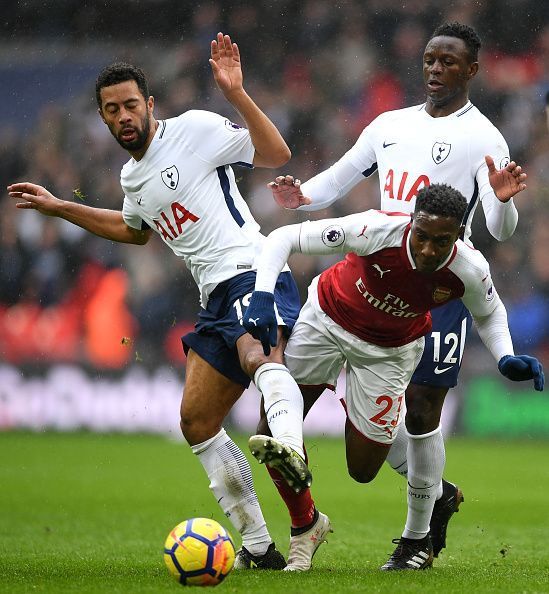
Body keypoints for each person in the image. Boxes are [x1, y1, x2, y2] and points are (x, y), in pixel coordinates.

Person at [7, 33, 312, 570]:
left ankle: (289, 443)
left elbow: (275, 154)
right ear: (102, 119)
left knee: (255, 356)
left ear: (149, 105)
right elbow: (134, 229)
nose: (123, 116)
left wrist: (237, 94)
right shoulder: (133, 176)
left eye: (130, 105)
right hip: (213, 297)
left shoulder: (194, 130)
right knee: (195, 422)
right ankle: (260, 547)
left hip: (251, 270)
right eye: (111, 110)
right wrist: (59, 208)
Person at [261, 22, 530, 570]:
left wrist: (501, 201)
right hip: (380, 268)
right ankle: (436, 492)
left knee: (425, 408)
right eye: (430, 59)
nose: (435, 69)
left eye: (449, 62)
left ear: (471, 70)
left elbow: (500, 227)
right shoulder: (389, 125)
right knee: (362, 440)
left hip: (439, 289)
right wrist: (302, 195)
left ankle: (416, 539)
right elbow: (340, 176)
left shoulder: (485, 137)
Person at [243, 183, 544, 572]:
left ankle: (430, 483)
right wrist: (262, 294)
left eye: (442, 241)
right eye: (422, 236)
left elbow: (488, 312)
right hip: (326, 320)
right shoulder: (376, 229)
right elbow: (285, 237)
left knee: (363, 470)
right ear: (411, 223)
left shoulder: (468, 267)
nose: (429, 250)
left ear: (458, 236)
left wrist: (504, 356)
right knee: (270, 428)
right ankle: (306, 523)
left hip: (389, 353)